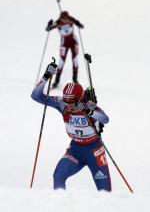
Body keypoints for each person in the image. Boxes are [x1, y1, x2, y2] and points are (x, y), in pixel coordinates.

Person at [31, 62, 112, 191]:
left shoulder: (89, 105)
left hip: (94, 151)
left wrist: (89, 112)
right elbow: (36, 96)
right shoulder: (62, 103)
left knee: (105, 191)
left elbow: (105, 119)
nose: (69, 106)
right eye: (66, 101)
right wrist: (46, 76)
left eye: (72, 103)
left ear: (80, 99)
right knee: (58, 175)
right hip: (76, 150)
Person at [46, 11, 84, 88]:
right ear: (61, 18)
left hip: (74, 43)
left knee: (75, 60)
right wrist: (49, 25)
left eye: (66, 19)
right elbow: (48, 29)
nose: (65, 20)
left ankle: (75, 79)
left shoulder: (71, 19)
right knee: (61, 62)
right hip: (64, 44)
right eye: (63, 19)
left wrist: (79, 25)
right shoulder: (58, 22)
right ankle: (56, 81)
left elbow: (78, 24)